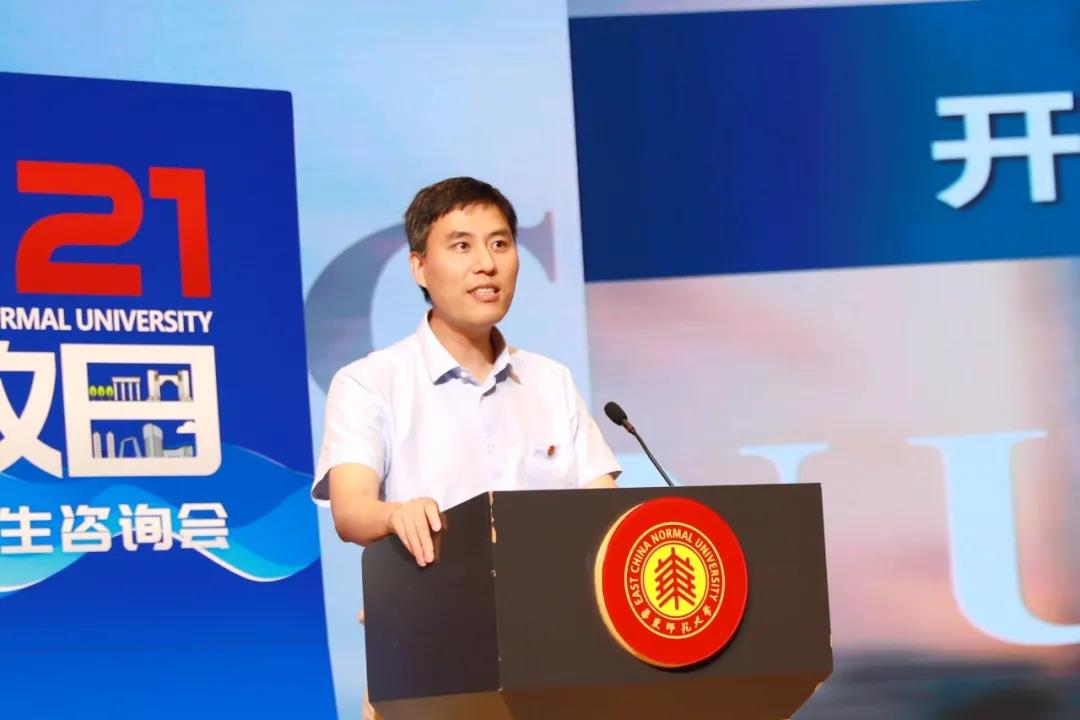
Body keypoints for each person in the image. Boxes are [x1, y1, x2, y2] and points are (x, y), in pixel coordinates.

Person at [312, 176, 621, 567]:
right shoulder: (368, 383)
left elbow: (606, 509)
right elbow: (351, 509)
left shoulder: (551, 381)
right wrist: (396, 515)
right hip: (434, 597)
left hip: (551, 598)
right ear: (419, 267)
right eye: (462, 246)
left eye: (500, 244)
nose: (487, 264)